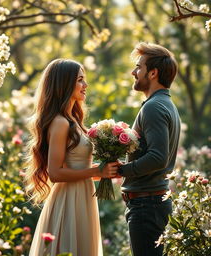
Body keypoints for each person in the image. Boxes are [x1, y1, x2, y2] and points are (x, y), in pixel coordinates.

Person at [24, 58, 118, 256]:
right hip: (68, 200)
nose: (85, 85)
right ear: (65, 84)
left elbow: (77, 169)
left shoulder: (74, 121)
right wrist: (95, 170)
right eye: (80, 80)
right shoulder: (60, 123)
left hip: (83, 195)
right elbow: (56, 173)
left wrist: (105, 171)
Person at [118, 42, 181, 256]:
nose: (133, 72)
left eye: (138, 67)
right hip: (150, 203)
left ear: (153, 73)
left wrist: (122, 170)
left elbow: (158, 157)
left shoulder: (154, 106)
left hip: (147, 205)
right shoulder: (163, 104)